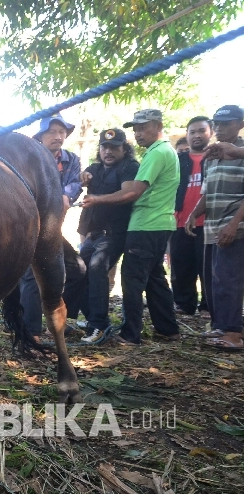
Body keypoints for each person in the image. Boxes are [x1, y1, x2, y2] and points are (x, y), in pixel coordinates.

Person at [82, 108, 181, 345]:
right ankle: (168, 329)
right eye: (135, 128)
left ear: (158, 126)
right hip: (159, 223)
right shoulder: (164, 151)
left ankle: (130, 335)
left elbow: (133, 192)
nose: (138, 133)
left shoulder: (156, 153)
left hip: (146, 224)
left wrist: (97, 199)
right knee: (155, 279)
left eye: (143, 127)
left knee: (132, 280)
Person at [65, 129, 140, 343]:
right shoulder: (95, 168)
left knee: (97, 271)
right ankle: (84, 319)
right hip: (93, 235)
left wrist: (97, 199)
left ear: (124, 149)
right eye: (105, 147)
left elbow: (127, 194)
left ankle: (99, 326)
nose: (108, 151)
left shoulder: (129, 167)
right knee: (77, 271)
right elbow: (79, 181)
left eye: (114, 147)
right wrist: (81, 177)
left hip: (114, 234)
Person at [20, 113, 86, 340]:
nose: (58, 136)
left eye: (61, 132)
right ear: (41, 136)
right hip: (30, 226)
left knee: (77, 270)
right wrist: (57, 198)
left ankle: (58, 321)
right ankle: (31, 332)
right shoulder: (29, 157)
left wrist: (65, 195)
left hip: (52, 229)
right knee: (32, 275)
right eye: (52, 132)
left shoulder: (71, 159)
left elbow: (75, 183)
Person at [186, 105, 244, 351]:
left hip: (234, 227)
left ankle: (233, 333)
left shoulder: (241, 153)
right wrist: (193, 214)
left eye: (227, 123)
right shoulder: (212, 155)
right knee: (213, 280)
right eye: (217, 123)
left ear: (240, 124)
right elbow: (207, 193)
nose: (220, 128)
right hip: (212, 227)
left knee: (229, 279)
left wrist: (235, 223)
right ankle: (221, 325)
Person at [171, 116, 212, 317]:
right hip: (179, 221)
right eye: (192, 132)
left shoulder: (216, 157)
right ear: (186, 135)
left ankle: (207, 305)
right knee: (181, 266)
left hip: (208, 222)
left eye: (201, 131)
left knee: (207, 266)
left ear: (210, 133)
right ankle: (183, 304)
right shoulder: (178, 160)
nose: (196, 135)